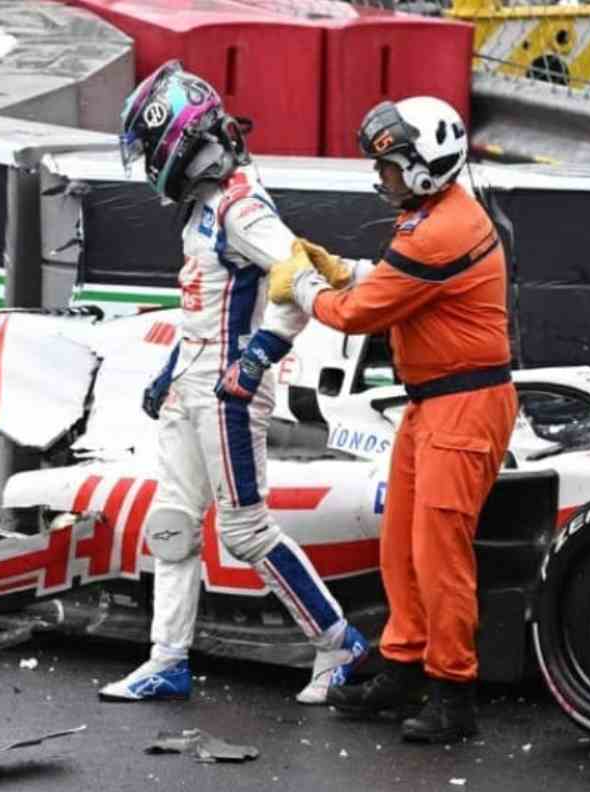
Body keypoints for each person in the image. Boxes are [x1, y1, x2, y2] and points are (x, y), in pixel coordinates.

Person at [98, 60, 368, 705]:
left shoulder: (243, 208)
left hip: (227, 392)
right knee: (172, 522)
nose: (147, 166)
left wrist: (257, 359)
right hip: (193, 382)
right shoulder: (208, 206)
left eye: (151, 149)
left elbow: (301, 279)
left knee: (244, 531)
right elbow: (202, 307)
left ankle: (339, 643)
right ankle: (167, 659)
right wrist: (168, 373)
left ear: (179, 143)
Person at [267, 96, 518, 742]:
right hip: (435, 403)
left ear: (426, 168)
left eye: (392, 168)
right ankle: (405, 664)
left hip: (463, 406)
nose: (383, 179)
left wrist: (300, 282)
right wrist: (341, 269)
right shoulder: (434, 217)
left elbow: (356, 315)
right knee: (402, 542)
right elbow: (393, 282)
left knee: (439, 554)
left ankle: (453, 693)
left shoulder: (440, 230)